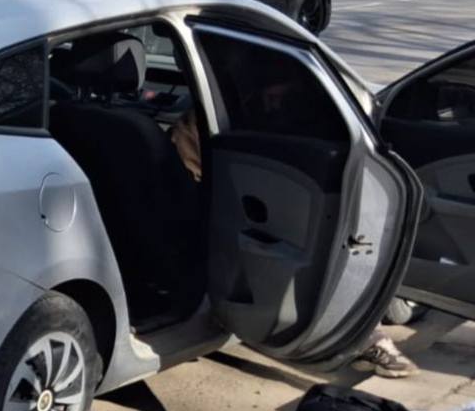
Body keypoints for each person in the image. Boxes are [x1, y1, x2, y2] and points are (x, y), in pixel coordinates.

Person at [168, 96, 417, 378]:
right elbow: (193, 184)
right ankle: (366, 339)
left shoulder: (291, 110)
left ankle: (367, 330)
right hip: (229, 226)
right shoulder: (208, 119)